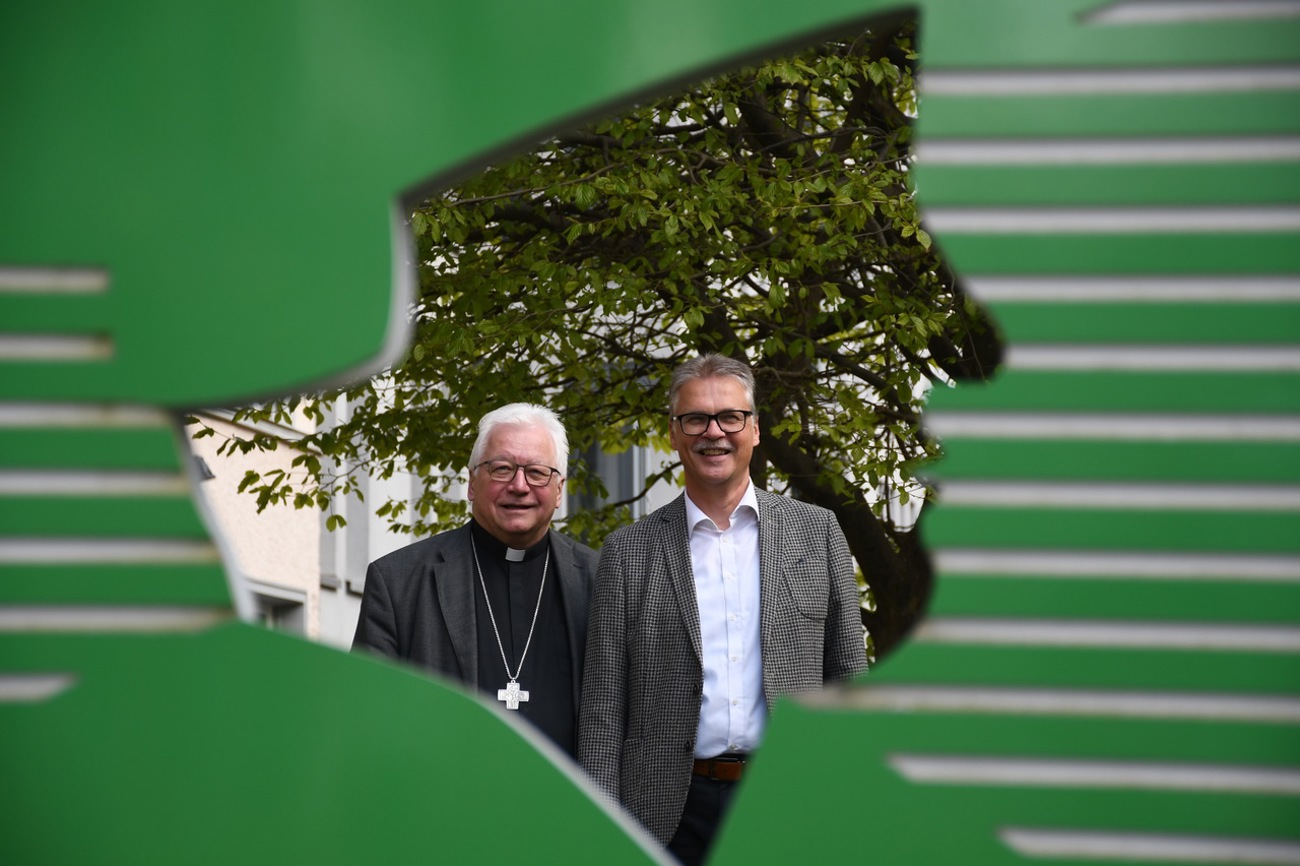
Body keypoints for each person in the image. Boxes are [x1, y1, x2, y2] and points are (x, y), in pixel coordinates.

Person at [579, 354, 869, 865]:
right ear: (673, 433)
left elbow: (848, 679)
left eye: (729, 417)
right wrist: (602, 827)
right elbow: (604, 705)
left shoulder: (817, 532)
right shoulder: (627, 552)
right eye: (695, 418)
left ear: (754, 429)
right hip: (665, 812)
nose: (713, 432)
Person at [353, 403, 597, 759]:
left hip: (566, 810)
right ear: (471, 483)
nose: (519, 486)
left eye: (537, 472)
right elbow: (368, 720)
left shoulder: (600, 580)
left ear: (559, 490)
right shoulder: (398, 582)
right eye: (501, 469)